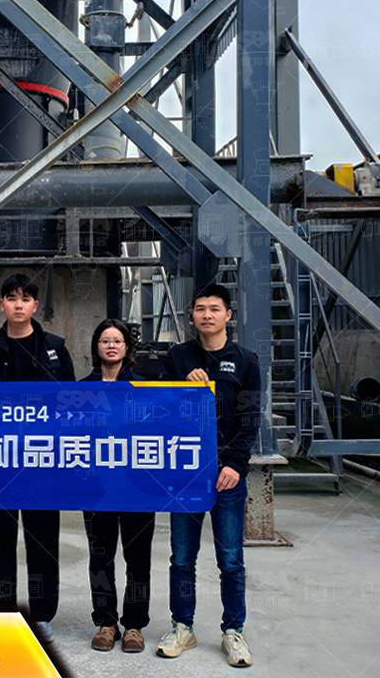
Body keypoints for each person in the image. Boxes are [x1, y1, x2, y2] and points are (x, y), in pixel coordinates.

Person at [155, 284, 260, 668]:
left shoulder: (245, 361)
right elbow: (160, 410)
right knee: (183, 557)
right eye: (200, 309)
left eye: (214, 309)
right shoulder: (178, 357)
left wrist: (235, 465)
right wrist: (183, 388)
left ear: (228, 315)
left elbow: (250, 417)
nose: (206, 315)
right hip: (186, 473)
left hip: (226, 475)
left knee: (230, 558)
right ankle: (182, 626)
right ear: (193, 316)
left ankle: (233, 631)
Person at [0, 273, 75, 643]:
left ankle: (42, 614)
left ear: (35, 305)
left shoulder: (55, 348)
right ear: (1, 304)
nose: (18, 304)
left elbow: (70, 405)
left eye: (26, 298)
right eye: (12, 298)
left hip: (41, 462)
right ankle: (1, 612)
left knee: (42, 540)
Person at [81, 318, 154, 654]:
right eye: (105, 340)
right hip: (96, 486)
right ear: (96, 347)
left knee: (137, 557)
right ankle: (106, 622)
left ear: (127, 347)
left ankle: (134, 624)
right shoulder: (81, 389)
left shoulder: (144, 387)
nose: (111, 346)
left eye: (117, 341)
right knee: (101, 556)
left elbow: (158, 430)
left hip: (138, 485)